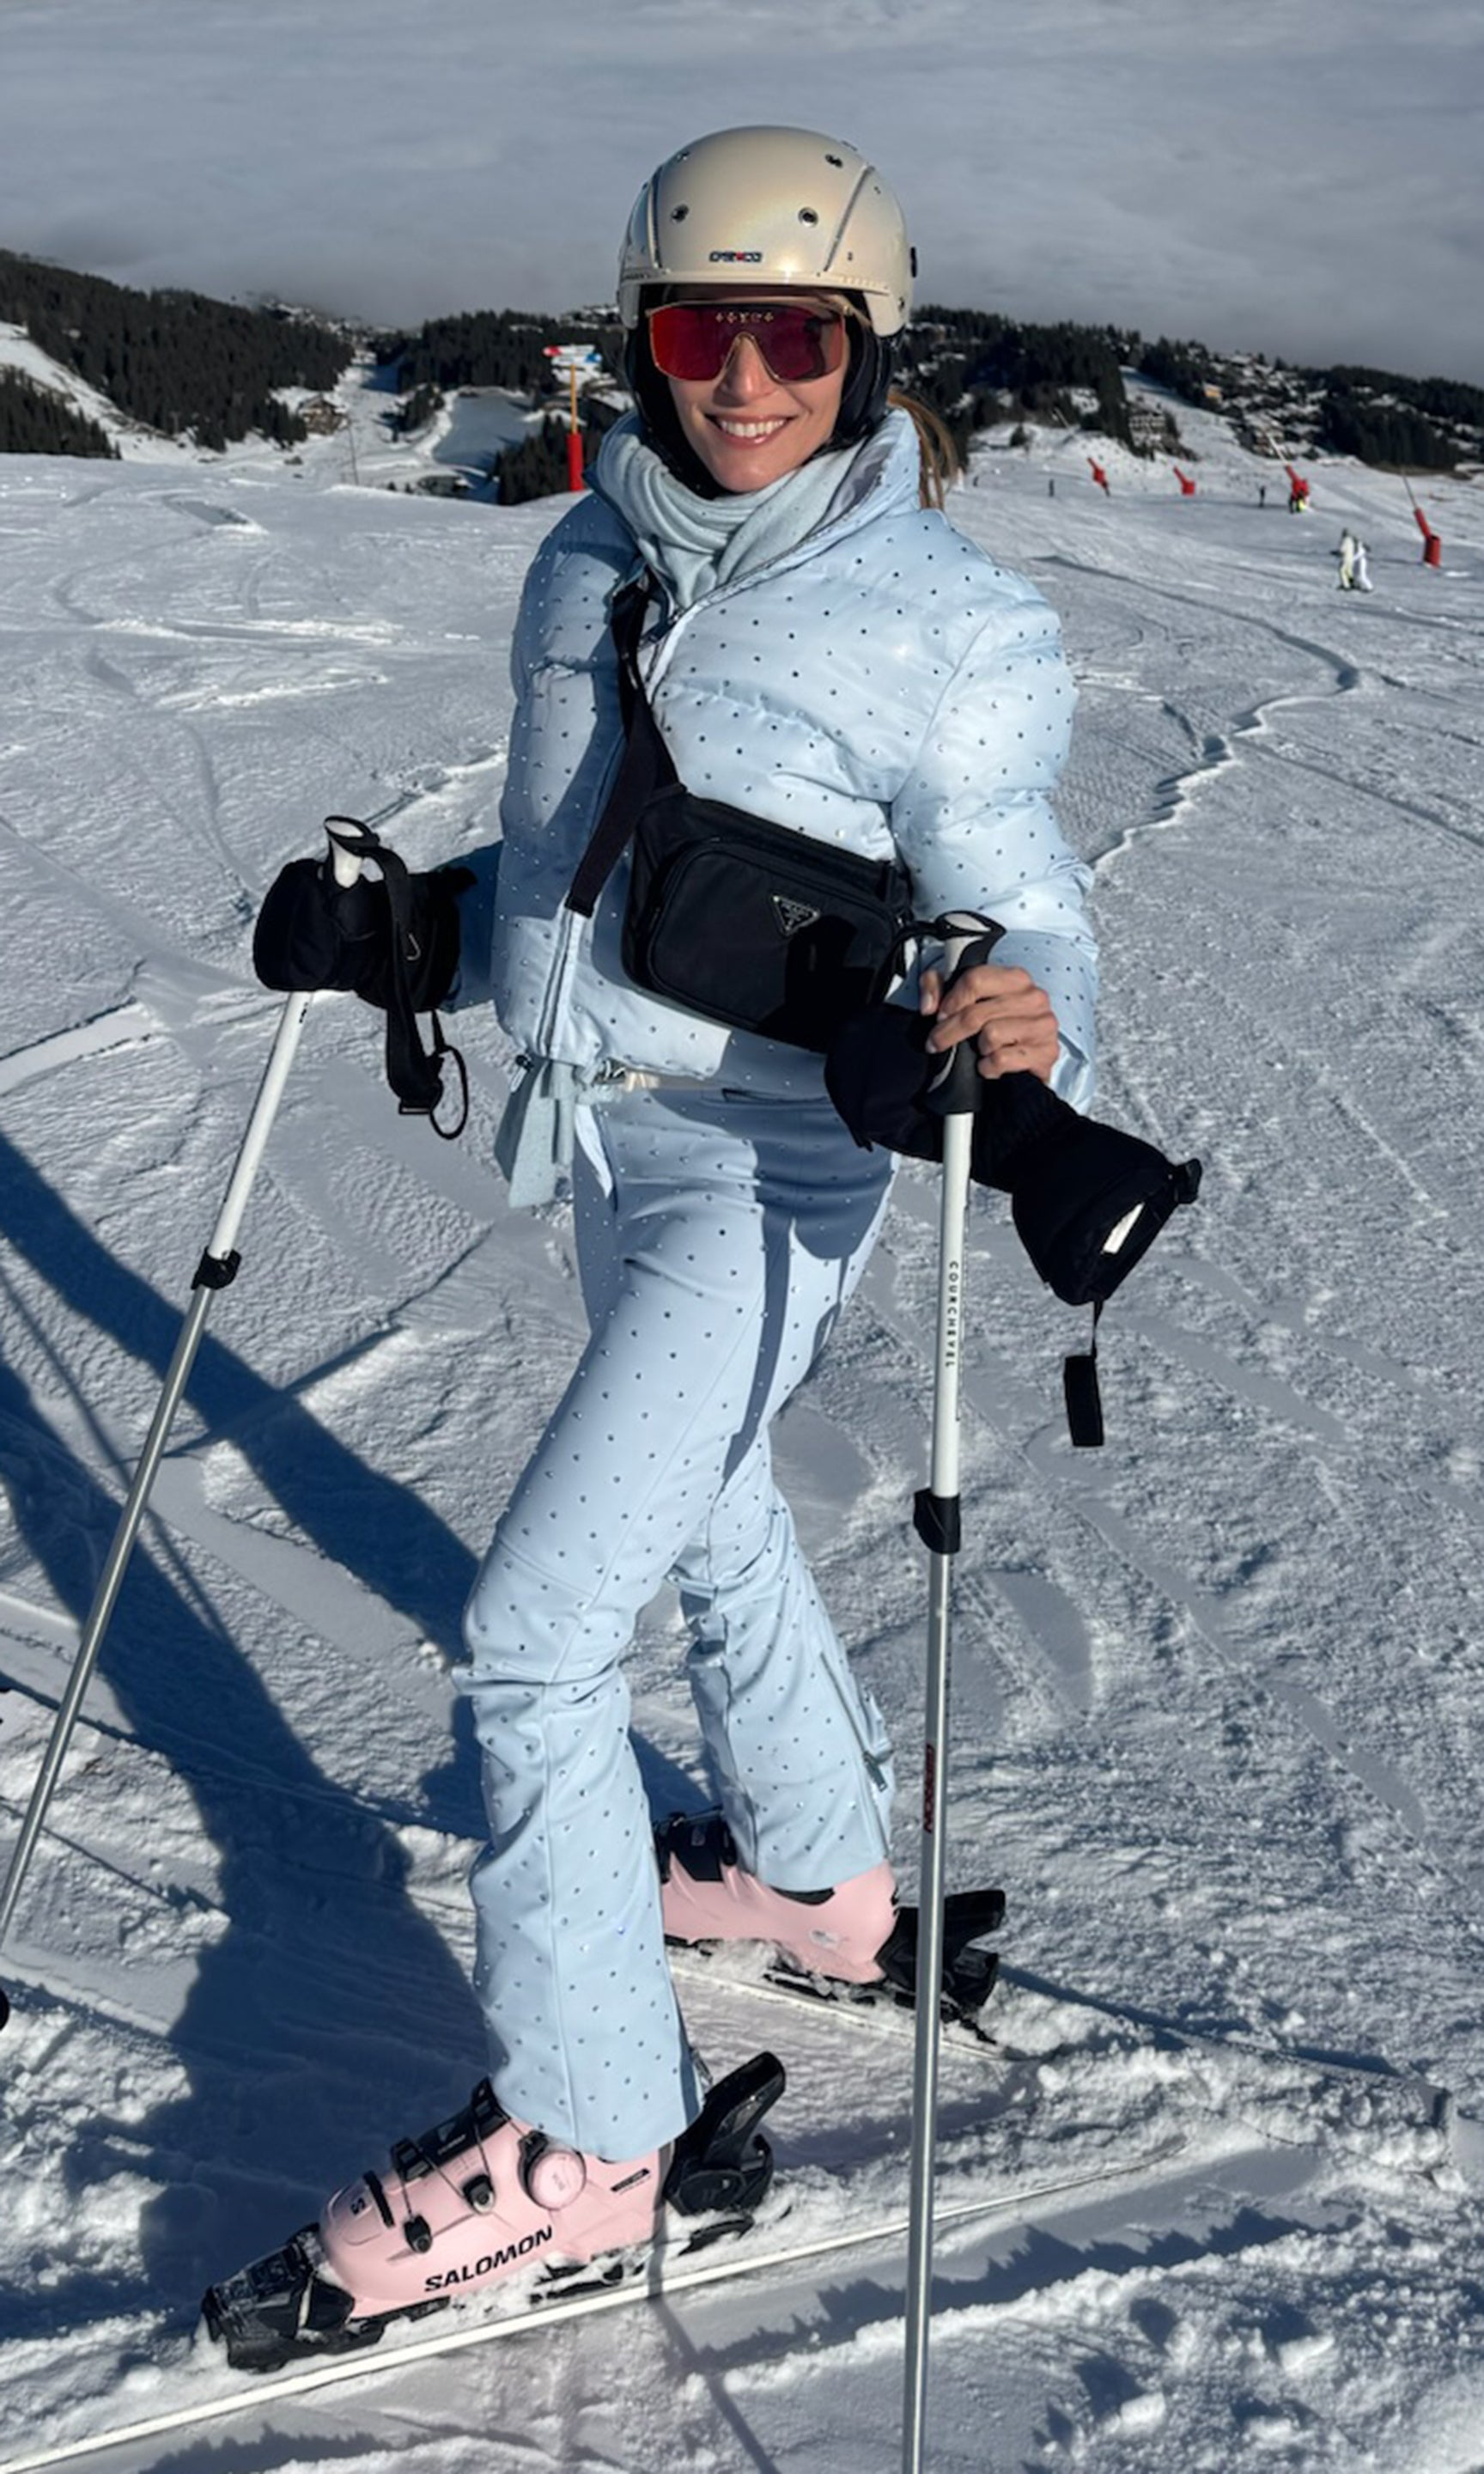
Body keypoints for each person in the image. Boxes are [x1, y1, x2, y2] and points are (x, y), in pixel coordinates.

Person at [214, 123, 1098, 2362]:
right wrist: (415, 932)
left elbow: (1028, 901)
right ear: (647, 338)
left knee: (528, 1641)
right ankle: (818, 1879)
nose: (748, 380)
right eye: (706, 331)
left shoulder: (951, 629)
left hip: (770, 1181)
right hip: (591, 1145)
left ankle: (596, 2139)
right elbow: (573, 866)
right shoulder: (582, 555)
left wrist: (1009, 1016)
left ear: (867, 346)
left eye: (798, 336)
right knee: (705, 1529)